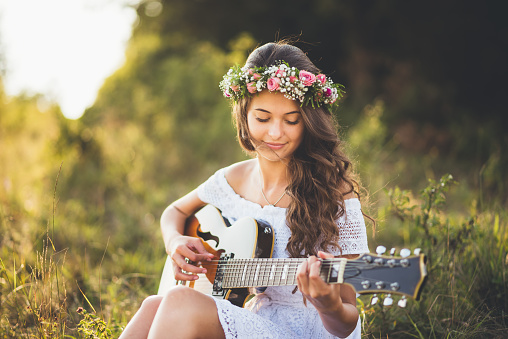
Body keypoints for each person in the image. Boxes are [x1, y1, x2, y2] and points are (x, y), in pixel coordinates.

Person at [119, 41, 369, 339]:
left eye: (292, 120)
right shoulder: (233, 179)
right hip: (259, 318)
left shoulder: (334, 191)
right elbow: (174, 211)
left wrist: (329, 306)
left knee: (178, 301)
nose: (275, 133)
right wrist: (175, 242)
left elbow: (346, 323)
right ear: (244, 115)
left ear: (310, 122)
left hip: (312, 331)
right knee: (153, 305)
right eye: (263, 118)